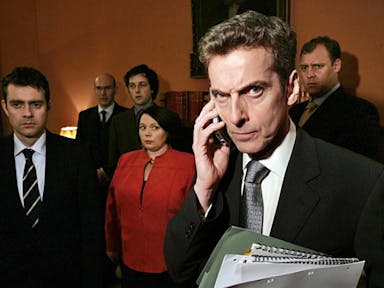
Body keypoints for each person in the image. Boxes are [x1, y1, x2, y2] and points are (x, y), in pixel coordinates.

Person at [164, 11, 384, 287]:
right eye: (221, 95)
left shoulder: (364, 183)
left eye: (254, 90)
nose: (235, 116)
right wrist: (204, 190)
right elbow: (180, 270)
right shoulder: (217, 171)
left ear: (291, 88)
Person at [0, 66, 104, 287]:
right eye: (17, 104)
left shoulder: (78, 154)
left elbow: (92, 229)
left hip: (66, 278)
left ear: (49, 106)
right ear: (5, 107)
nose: (27, 113)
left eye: (36, 104)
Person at [105, 105, 195, 288]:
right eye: (142, 127)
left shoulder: (188, 163)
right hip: (130, 257)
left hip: (171, 262)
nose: (147, 133)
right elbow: (112, 208)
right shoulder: (125, 160)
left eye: (155, 128)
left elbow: (195, 216)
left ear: (167, 131)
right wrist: (111, 247)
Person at [289, 36, 380, 159]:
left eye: (317, 66)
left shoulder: (360, 112)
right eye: (304, 68)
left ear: (336, 66)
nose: (309, 74)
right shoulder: (294, 111)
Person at [76, 73, 127, 287]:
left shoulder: (124, 116)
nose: (103, 93)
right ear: (94, 90)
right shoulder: (84, 116)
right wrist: (90, 173)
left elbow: (126, 152)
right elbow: (79, 149)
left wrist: (106, 171)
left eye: (107, 88)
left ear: (115, 90)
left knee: (116, 231)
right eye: (99, 89)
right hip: (91, 185)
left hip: (116, 181)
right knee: (95, 231)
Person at [108, 64, 160, 175]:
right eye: (132, 86)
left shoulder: (167, 117)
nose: (137, 90)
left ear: (152, 88)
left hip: (159, 177)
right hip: (127, 179)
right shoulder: (118, 121)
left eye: (142, 85)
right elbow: (113, 161)